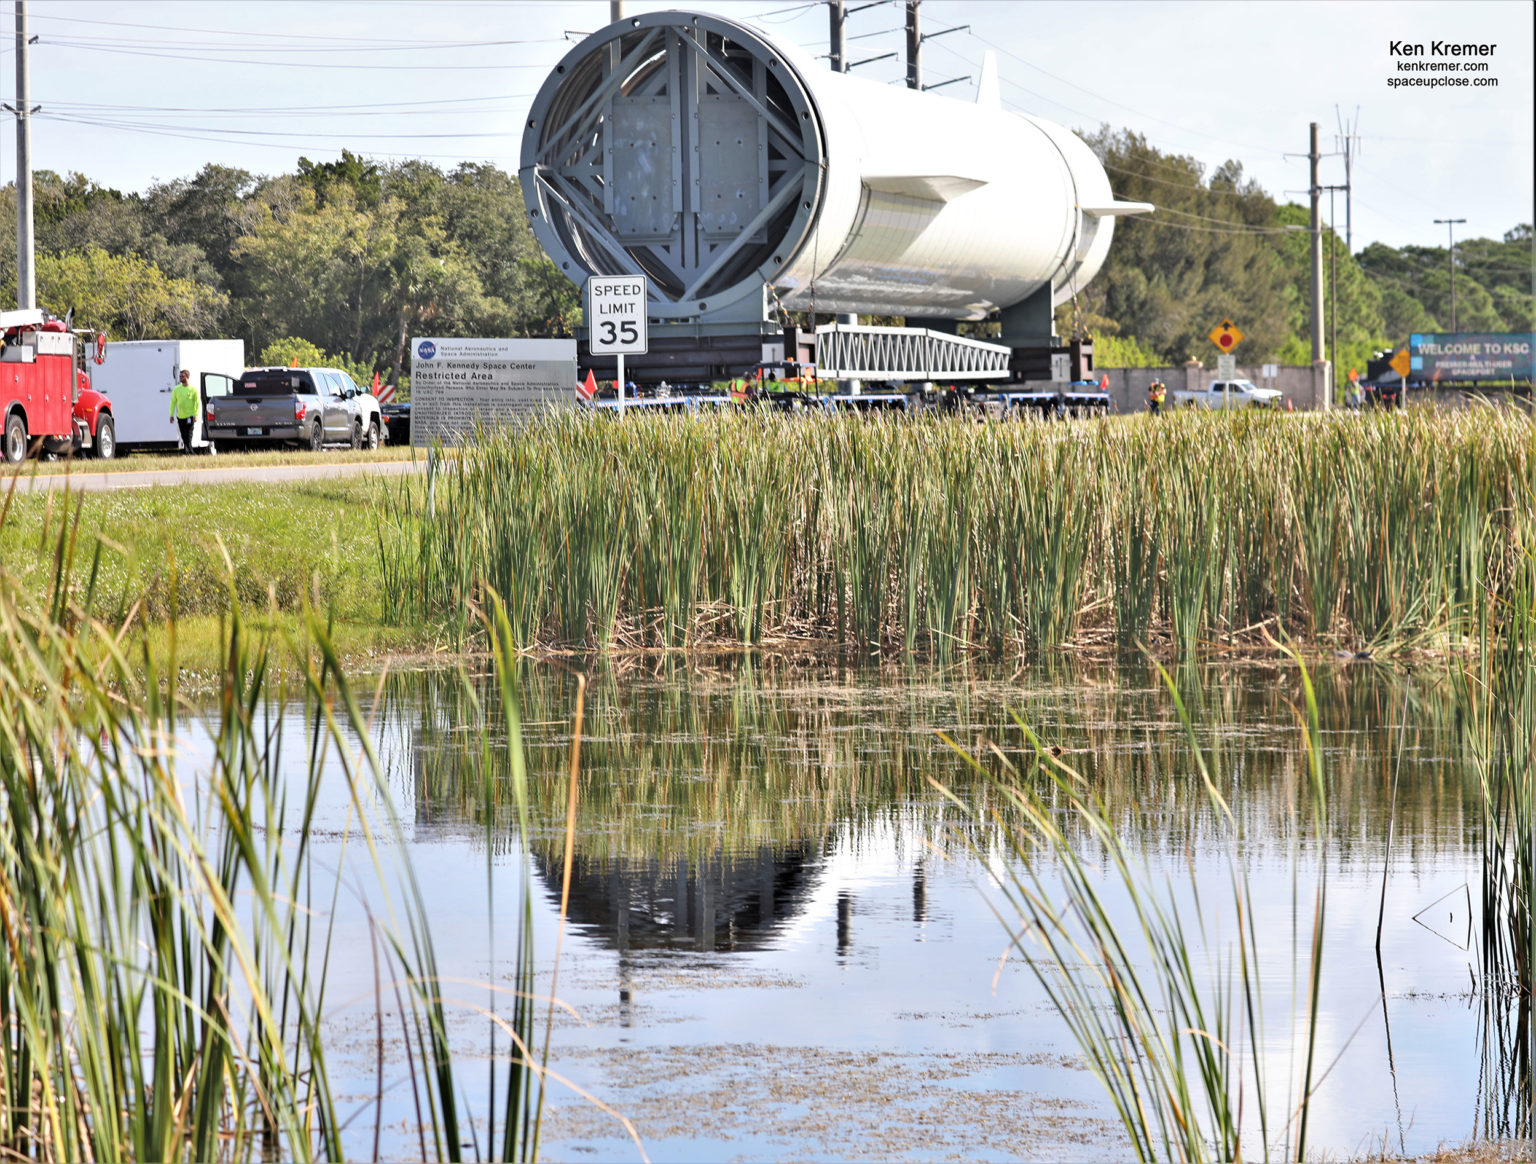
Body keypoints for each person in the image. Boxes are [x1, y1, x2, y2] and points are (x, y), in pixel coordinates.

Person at [169, 368, 199, 453]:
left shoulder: (193, 389)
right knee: (183, 434)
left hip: (189, 417)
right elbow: (173, 403)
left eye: (182, 376)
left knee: (188, 434)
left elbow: (197, 403)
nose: (180, 378)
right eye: (180, 376)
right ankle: (187, 450)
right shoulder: (176, 389)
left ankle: (189, 450)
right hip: (180, 417)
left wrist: (196, 414)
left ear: (187, 377)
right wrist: (171, 415)